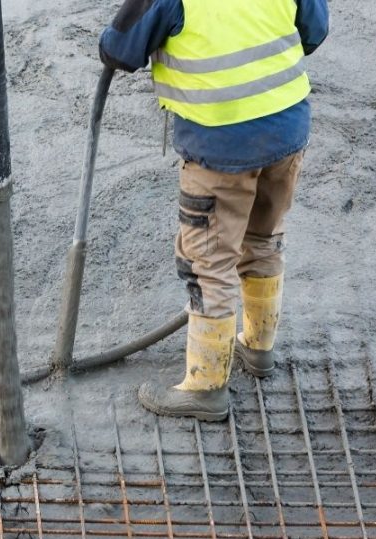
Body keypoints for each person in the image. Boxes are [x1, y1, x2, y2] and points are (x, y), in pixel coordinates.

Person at [99, 0, 329, 420]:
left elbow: (118, 50)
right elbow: (314, 31)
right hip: (287, 129)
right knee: (263, 236)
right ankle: (258, 348)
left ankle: (206, 387)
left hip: (220, 146)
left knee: (208, 262)